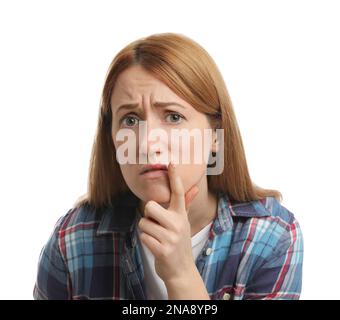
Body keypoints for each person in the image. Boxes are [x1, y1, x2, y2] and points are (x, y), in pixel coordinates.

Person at [33, 32, 303, 300]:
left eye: (173, 117)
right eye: (129, 120)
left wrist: (181, 274)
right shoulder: (72, 238)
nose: (148, 143)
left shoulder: (272, 235)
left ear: (215, 136)